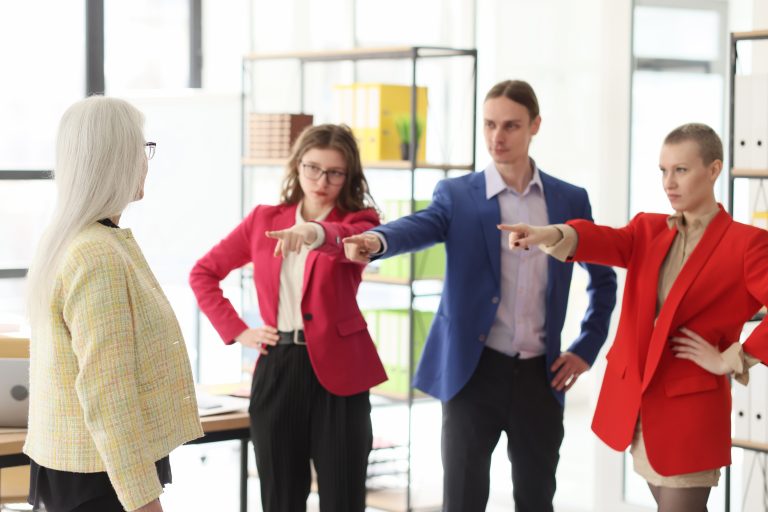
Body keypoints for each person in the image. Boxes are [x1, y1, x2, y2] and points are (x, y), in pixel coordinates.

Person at [343, 79, 617, 511]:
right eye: (489, 124)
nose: (497, 137)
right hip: (472, 374)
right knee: (464, 500)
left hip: (540, 377)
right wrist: (376, 241)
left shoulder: (568, 199)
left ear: (535, 126)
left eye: (510, 126)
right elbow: (420, 225)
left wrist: (586, 347)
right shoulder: (457, 196)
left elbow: (602, 279)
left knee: (536, 498)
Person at [500, 122, 768, 511]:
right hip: (641, 413)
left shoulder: (747, 244)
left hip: (691, 415)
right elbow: (600, 240)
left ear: (713, 170)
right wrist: (548, 234)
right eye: (663, 170)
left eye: (681, 170)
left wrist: (732, 358)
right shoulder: (648, 229)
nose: (669, 182)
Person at [189, 124, 386, 512]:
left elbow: (346, 242)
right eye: (312, 168)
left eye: (334, 173)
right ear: (297, 166)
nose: (321, 181)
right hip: (279, 364)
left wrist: (313, 232)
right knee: (280, 498)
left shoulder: (362, 222)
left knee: (343, 499)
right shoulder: (264, 220)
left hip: (341, 373)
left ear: (348, 176)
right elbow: (203, 273)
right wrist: (239, 330)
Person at [23, 96, 203, 512]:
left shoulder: (71, 241)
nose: (146, 162)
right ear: (117, 159)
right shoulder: (97, 254)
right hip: (101, 478)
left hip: (82, 468)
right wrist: (144, 501)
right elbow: (110, 394)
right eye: (142, 149)